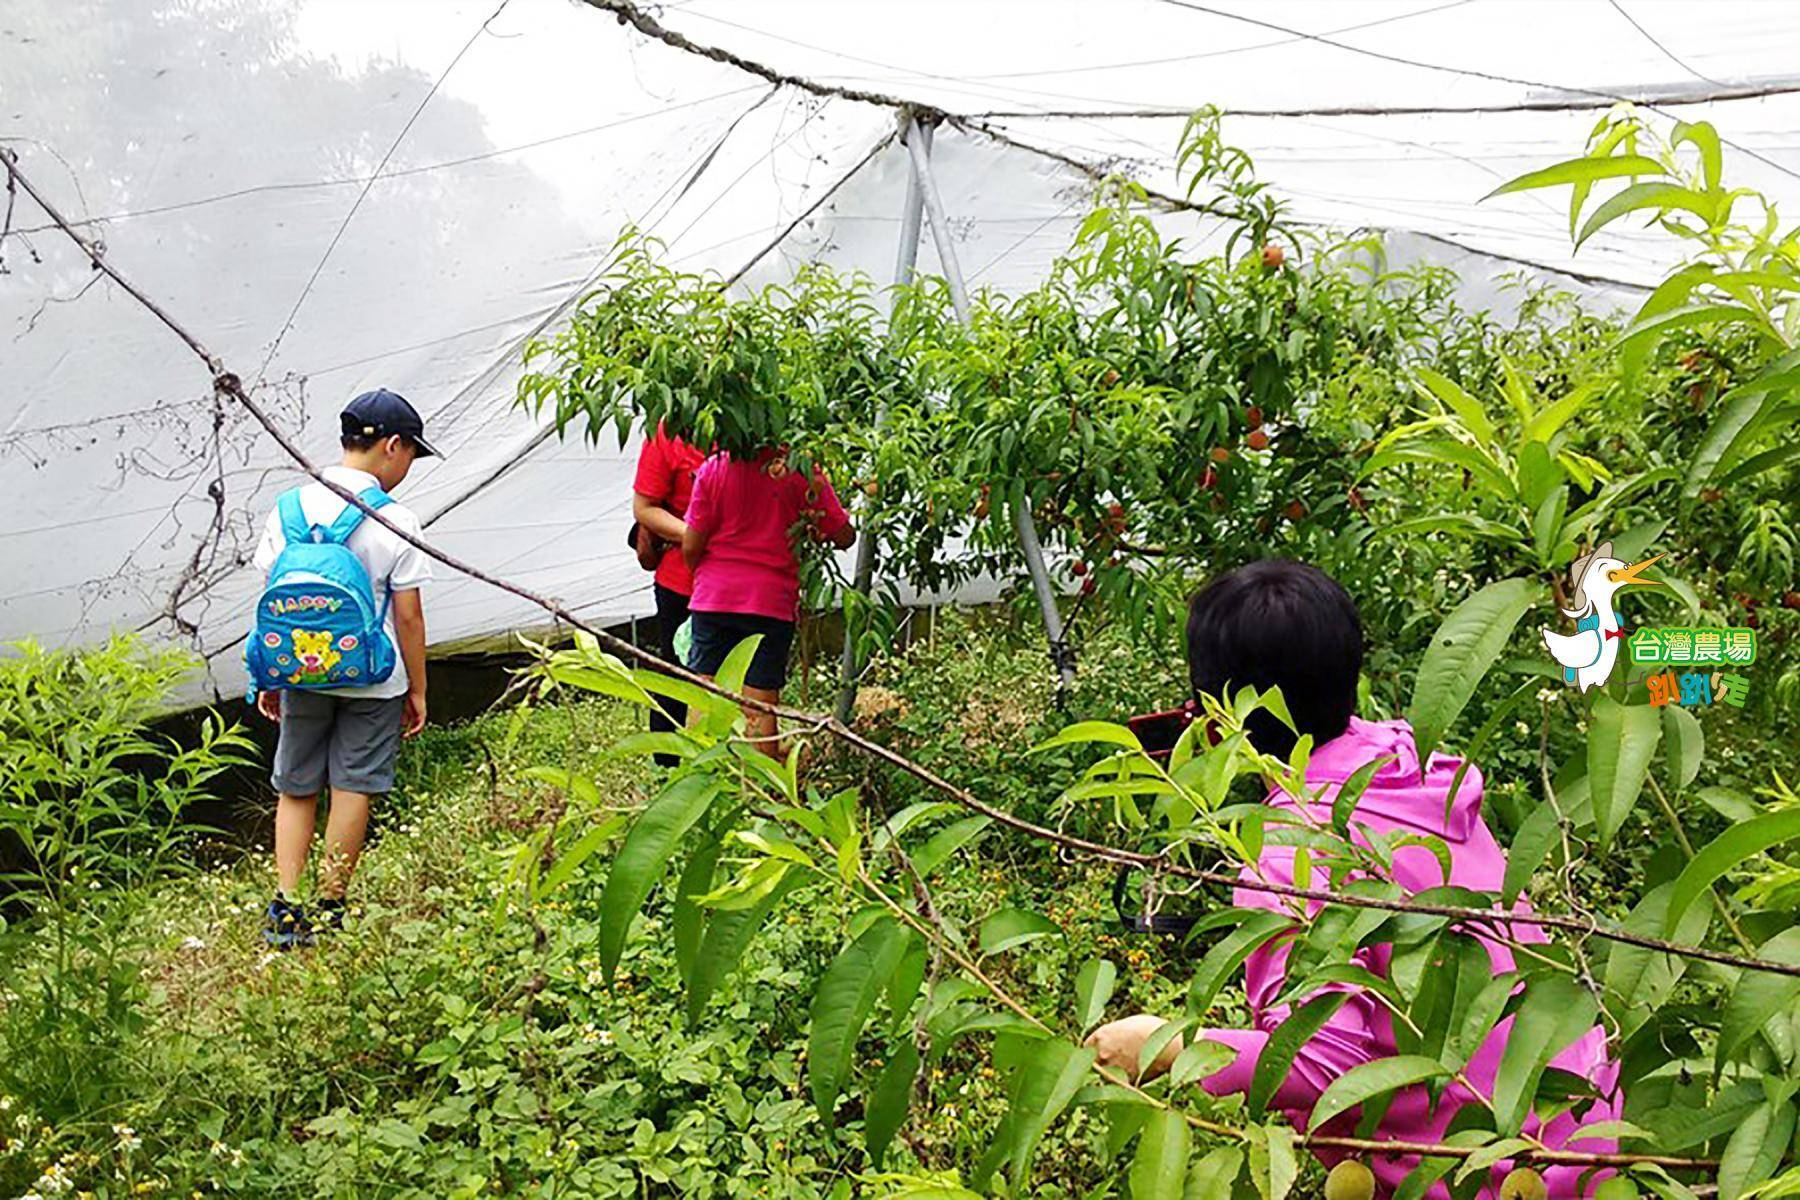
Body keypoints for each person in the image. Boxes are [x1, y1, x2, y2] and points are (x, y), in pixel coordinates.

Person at [1086, 560, 1619, 1198]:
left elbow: (1323, 1065)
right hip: (1587, 1136)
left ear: (1211, 705)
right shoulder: (1411, 767)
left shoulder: (1288, 852)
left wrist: (1164, 1044)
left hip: (1486, 1174)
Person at [251, 389, 435, 946]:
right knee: (353, 785)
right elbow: (408, 618)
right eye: (411, 455)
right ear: (392, 445)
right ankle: (331, 908)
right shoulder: (397, 519)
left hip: (301, 671)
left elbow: (271, 595)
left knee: (296, 786)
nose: (407, 467)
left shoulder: (289, 508)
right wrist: (418, 689)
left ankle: (286, 908)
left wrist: (269, 674)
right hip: (374, 678)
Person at [681, 447, 854, 749]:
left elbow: (691, 545)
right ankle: (757, 792)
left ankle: (699, 777)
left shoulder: (715, 466)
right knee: (759, 709)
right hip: (769, 601)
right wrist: (812, 524)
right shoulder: (800, 469)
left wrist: (709, 579)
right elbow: (844, 535)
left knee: (705, 695)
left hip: (715, 597)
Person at [631, 423, 706, 764]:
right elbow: (645, 507)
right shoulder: (668, 431)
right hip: (681, 582)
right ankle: (667, 767)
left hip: (742, 581)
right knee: (676, 672)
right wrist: (695, 536)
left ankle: (732, 769)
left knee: (737, 677)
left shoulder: (757, 423)